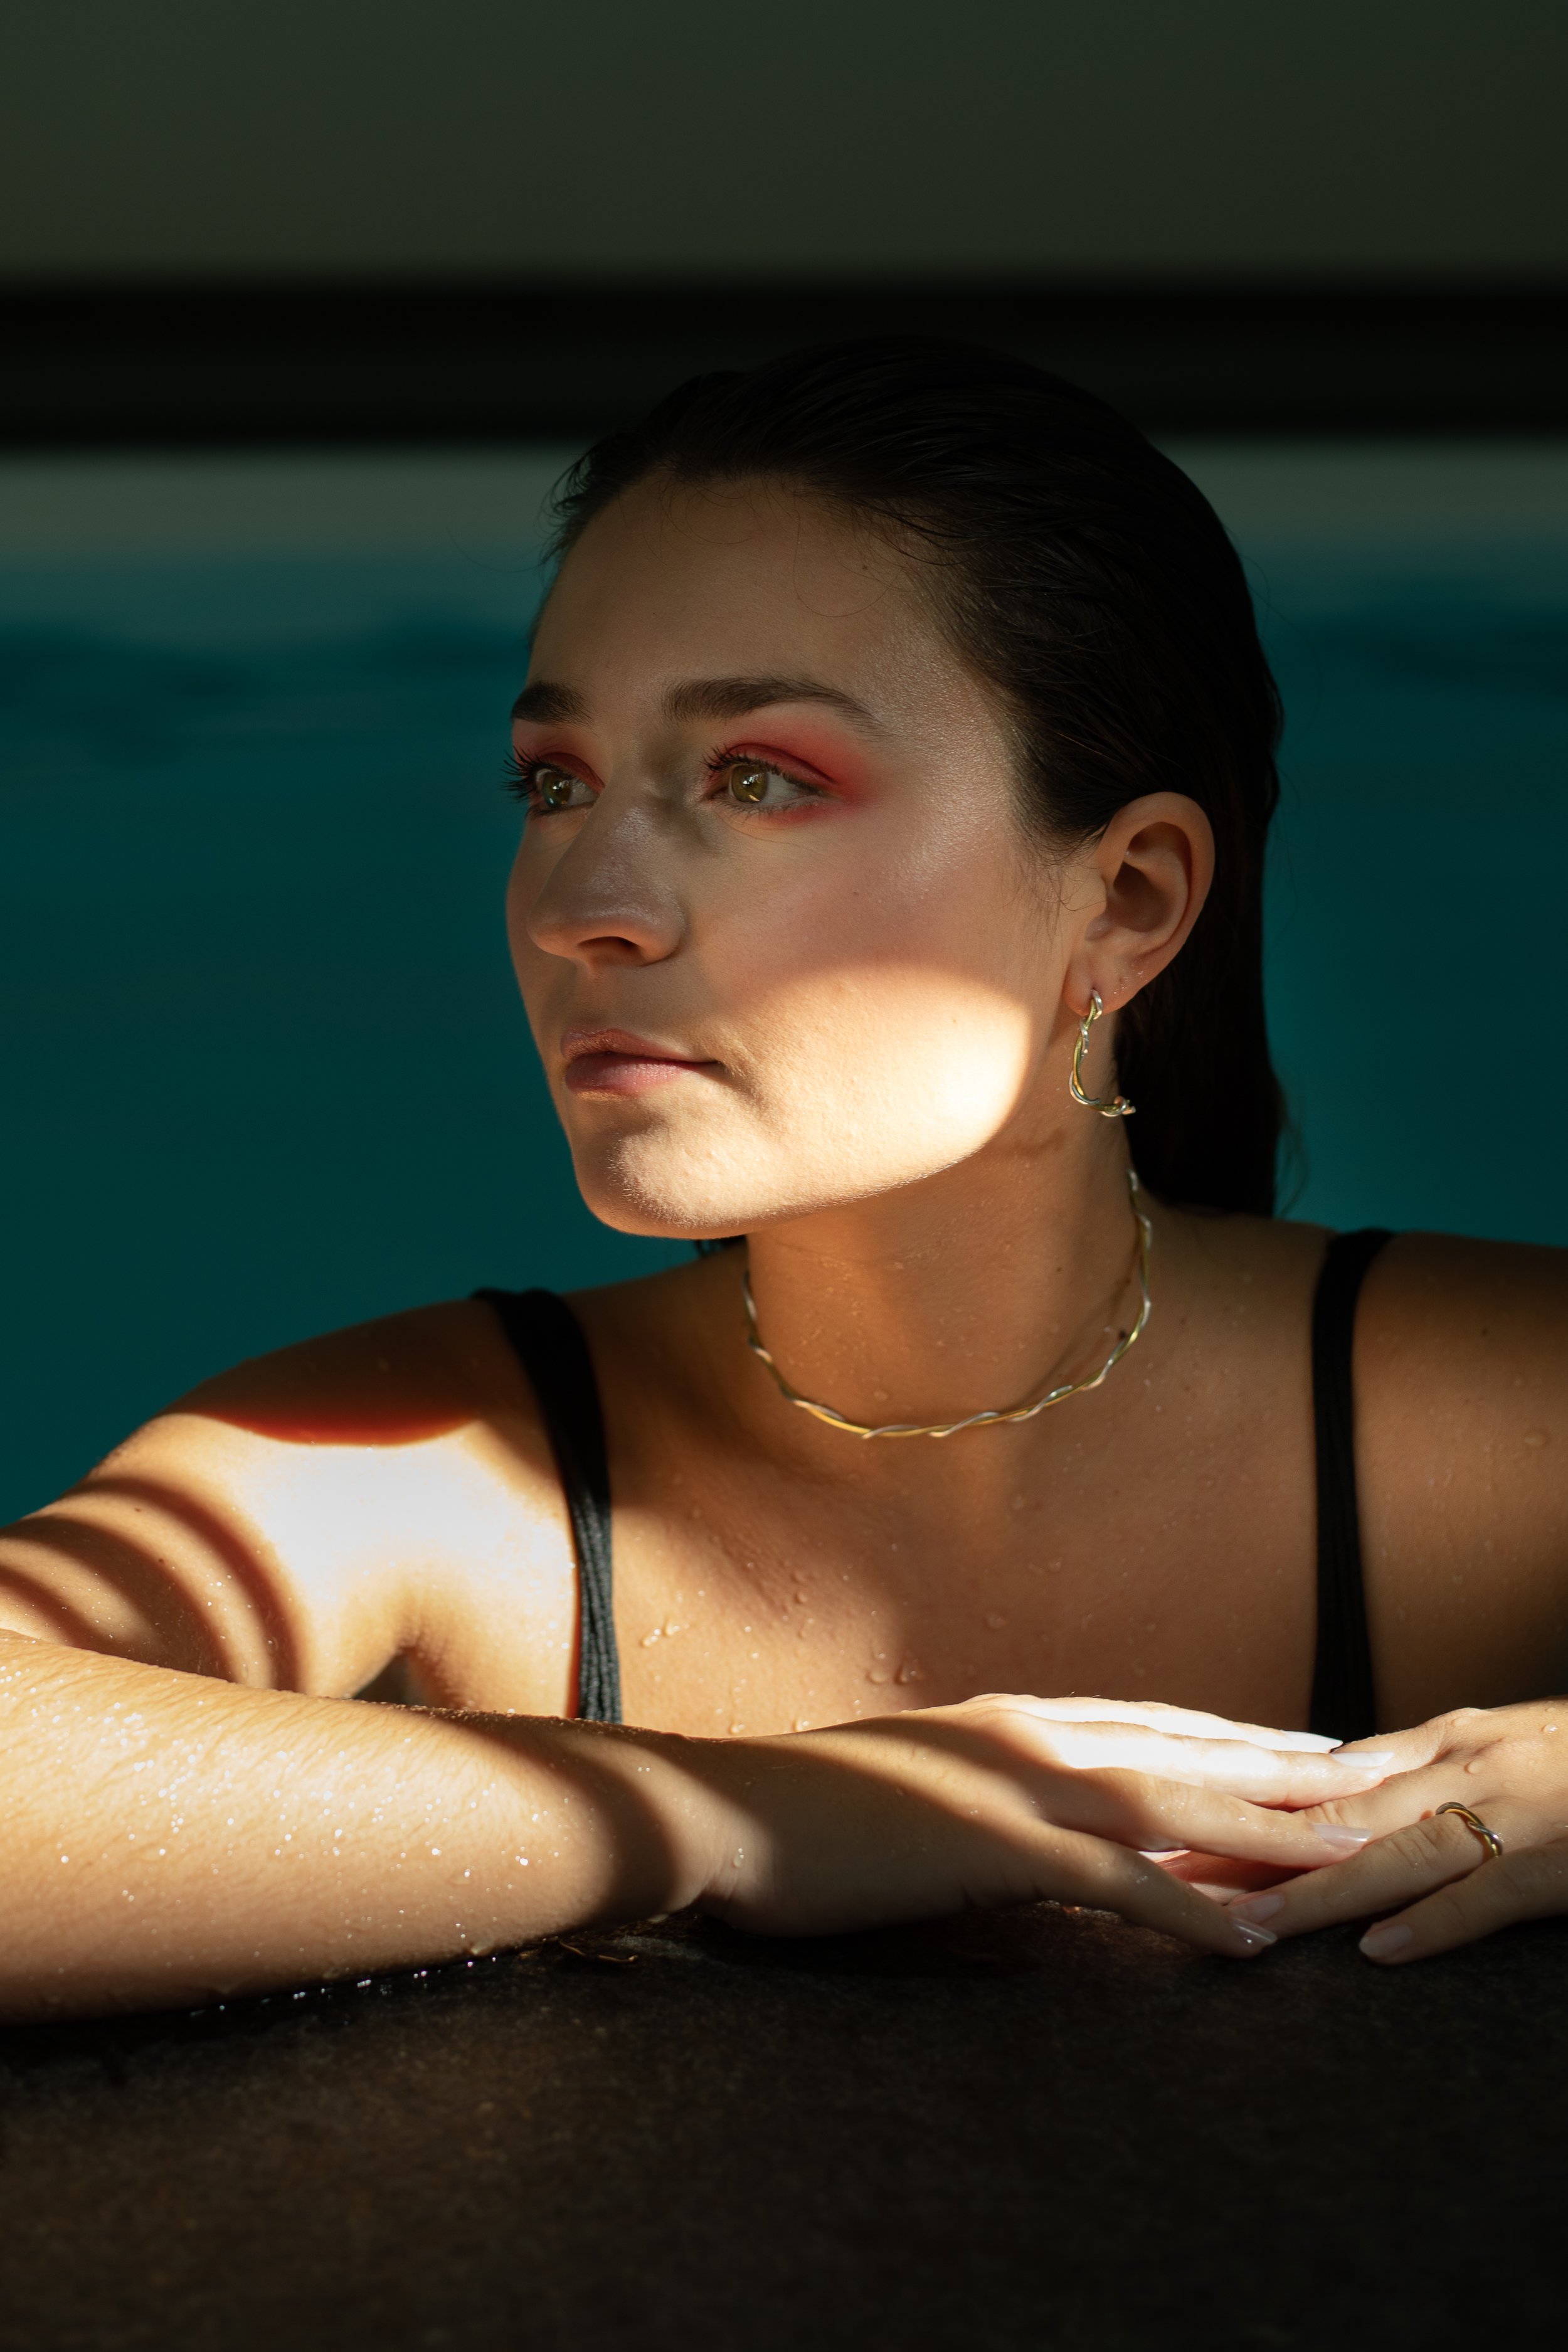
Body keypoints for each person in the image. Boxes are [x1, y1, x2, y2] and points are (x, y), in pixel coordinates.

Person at [3, 341, 1564, 2023]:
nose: (579, 903)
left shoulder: (1484, 1423)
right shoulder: (433, 1476)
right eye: (556, 782)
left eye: (759, 777)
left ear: (1125, 902)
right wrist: (741, 1817)